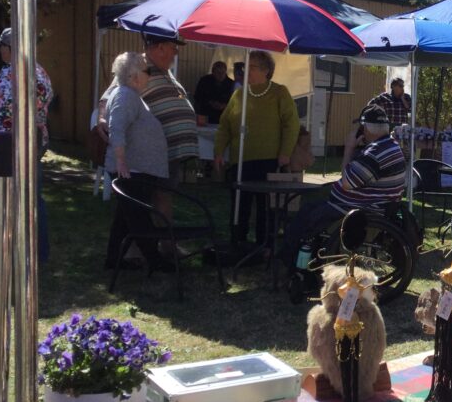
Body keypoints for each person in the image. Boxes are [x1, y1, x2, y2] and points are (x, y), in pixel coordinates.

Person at [280, 104, 406, 273]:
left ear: (365, 129)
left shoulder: (374, 154)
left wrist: (348, 148)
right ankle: (296, 257)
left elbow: (346, 182)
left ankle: (289, 262)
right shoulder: (390, 146)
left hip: (357, 212)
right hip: (373, 207)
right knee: (312, 206)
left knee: (306, 213)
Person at [98, 33, 198, 244]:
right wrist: (101, 119)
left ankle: (158, 245)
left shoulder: (164, 71)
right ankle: (154, 248)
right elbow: (110, 98)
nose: (176, 52)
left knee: (161, 196)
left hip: (166, 150)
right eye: (173, 47)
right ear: (160, 47)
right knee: (153, 199)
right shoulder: (138, 66)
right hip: (148, 154)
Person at [214, 51, 300, 246]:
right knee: (239, 204)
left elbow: (291, 124)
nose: (246, 71)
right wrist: (219, 151)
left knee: (265, 206)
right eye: (245, 67)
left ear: (266, 70)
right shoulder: (238, 94)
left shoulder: (279, 92)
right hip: (240, 159)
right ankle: (238, 241)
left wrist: (285, 152)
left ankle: (265, 245)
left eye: (251, 67)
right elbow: (224, 126)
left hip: (269, 160)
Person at [103, 52, 172, 272]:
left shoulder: (129, 94)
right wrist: (121, 162)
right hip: (131, 171)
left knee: (125, 218)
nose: (149, 75)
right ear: (134, 76)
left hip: (135, 170)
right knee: (139, 219)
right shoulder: (125, 96)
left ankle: (113, 260)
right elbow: (117, 128)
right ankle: (155, 260)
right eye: (147, 71)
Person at [0, 27, 54, 262]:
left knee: (30, 197)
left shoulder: (32, 74)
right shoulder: (9, 72)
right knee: (8, 198)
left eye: (3, 46)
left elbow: (28, 112)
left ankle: (37, 252)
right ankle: (12, 250)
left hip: (22, 145)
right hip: (4, 144)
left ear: (13, 48)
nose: (0, 49)